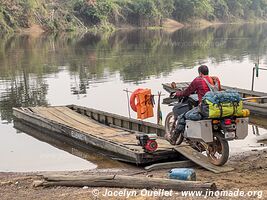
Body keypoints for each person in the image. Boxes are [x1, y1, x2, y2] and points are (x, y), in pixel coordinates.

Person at [166, 65, 221, 145]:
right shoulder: (214, 80)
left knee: (183, 116)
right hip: (216, 107)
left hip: (204, 107)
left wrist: (177, 94)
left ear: (200, 73)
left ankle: (173, 139)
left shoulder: (198, 80)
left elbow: (187, 92)